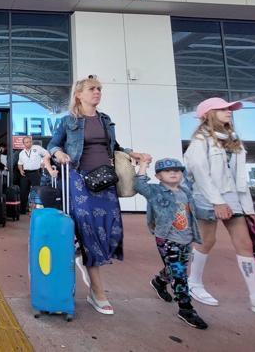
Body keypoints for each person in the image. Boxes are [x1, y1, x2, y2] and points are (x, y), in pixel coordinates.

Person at [184, 97, 255, 321]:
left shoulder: (234, 140)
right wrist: (217, 201)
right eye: (223, 109)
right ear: (209, 113)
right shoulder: (201, 140)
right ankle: (194, 282)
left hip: (233, 197)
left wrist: (247, 206)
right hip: (207, 196)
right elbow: (200, 174)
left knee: (245, 244)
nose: (229, 112)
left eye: (230, 109)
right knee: (206, 241)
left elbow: (239, 176)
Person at [48, 75, 151, 315]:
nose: (97, 92)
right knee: (89, 231)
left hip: (105, 180)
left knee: (109, 228)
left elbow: (112, 147)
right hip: (79, 180)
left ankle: (85, 260)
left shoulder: (106, 120)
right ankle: (98, 291)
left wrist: (131, 153)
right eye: (92, 89)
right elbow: (53, 144)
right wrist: (58, 153)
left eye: (99, 89)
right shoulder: (68, 121)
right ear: (79, 94)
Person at [135, 158, 208, 329]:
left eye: (177, 170)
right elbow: (139, 184)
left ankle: (159, 282)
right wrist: (143, 164)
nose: (174, 173)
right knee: (179, 274)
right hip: (167, 238)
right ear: (158, 176)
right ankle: (186, 309)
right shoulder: (154, 191)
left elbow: (195, 210)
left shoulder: (186, 192)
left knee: (175, 268)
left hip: (187, 238)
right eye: (168, 171)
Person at [17, 136, 55, 213]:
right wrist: (21, 170)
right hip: (25, 173)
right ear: (24, 144)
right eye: (27, 142)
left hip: (35, 172)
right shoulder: (21, 153)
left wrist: (44, 162)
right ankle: (23, 210)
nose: (29, 143)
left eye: (30, 141)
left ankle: (36, 209)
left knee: (36, 191)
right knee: (24, 191)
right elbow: (19, 163)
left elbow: (47, 154)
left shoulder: (37, 148)